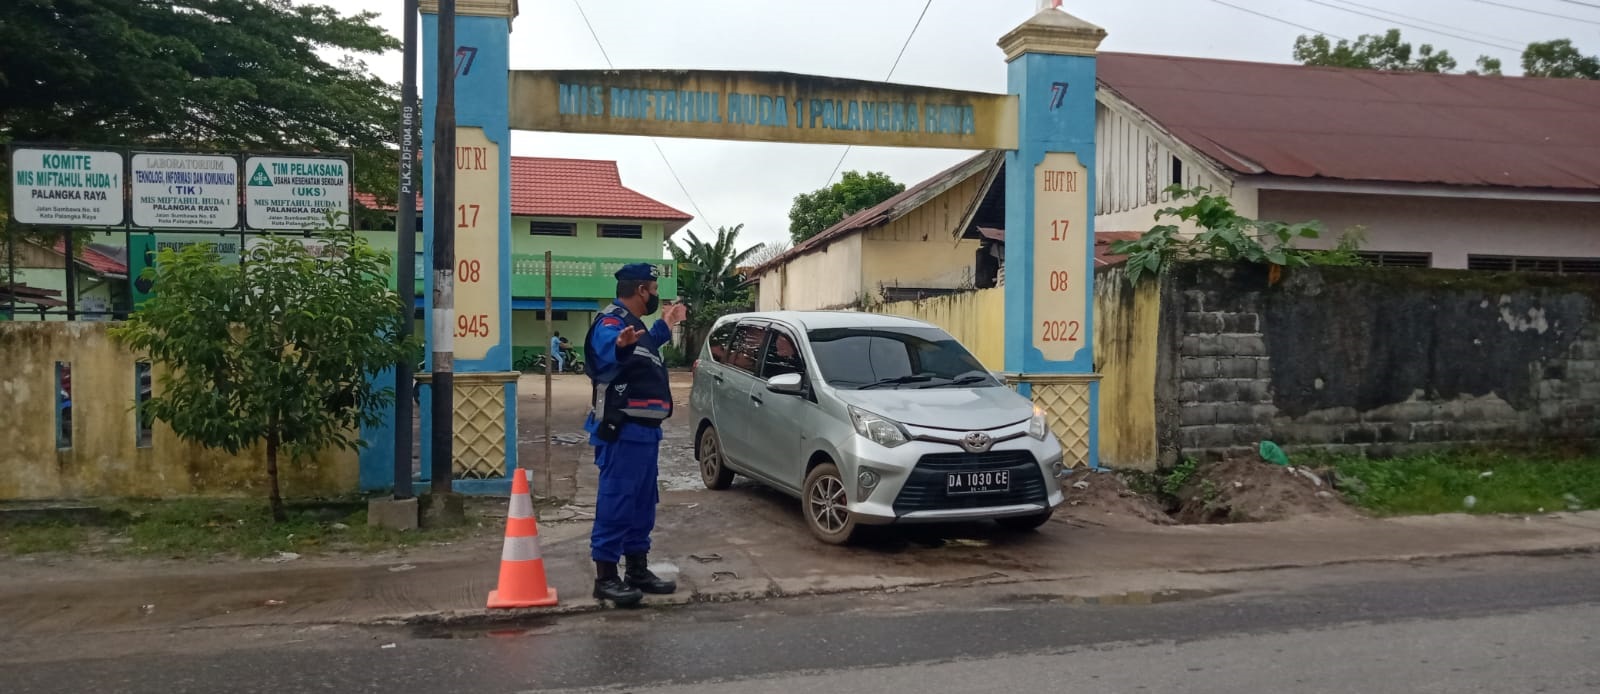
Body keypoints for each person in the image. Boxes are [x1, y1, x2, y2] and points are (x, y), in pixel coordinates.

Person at [583, 263, 678, 606]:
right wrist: (621, 346)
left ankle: (637, 570)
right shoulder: (612, 323)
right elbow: (613, 347)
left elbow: (647, 342)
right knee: (617, 501)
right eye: (654, 288)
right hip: (622, 430)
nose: (655, 294)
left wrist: (667, 324)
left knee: (641, 505)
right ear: (642, 290)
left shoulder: (635, 326)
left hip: (646, 433)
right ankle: (606, 578)